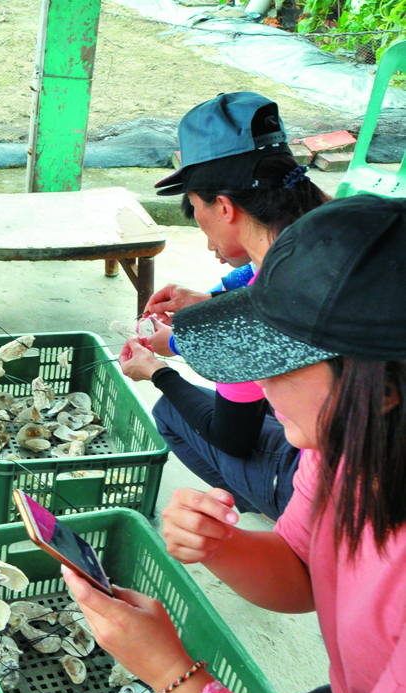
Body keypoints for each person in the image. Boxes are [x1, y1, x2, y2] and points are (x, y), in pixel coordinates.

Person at [68, 194, 406, 693]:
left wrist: (172, 674)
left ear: (381, 388)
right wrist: (219, 545)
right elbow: (303, 569)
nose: (258, 384)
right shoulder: (344, 451)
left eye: (278, 364)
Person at [118, 92, 329, 519]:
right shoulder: (332, 229)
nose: (197, 220)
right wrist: (207, 301)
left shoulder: (255, 318)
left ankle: (283, 512)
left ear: (225, 207)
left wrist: (158, 369)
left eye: (194, 207)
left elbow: (232, 437)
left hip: (333, 483)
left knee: (173, 410)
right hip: (375, 447)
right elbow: (250, 278)